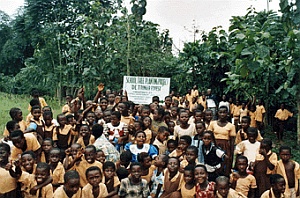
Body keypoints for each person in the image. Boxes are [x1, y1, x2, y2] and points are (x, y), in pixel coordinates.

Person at [208, 106, 236, 176]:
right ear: (217, 113)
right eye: (220, 112)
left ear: (228, 113)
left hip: (225, 147)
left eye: (224, 112)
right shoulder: (212, 123)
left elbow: (232, 141)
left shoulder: (231, 126)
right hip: (214, 146)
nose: (222, 114)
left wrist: (231, 153)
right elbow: (209, 136)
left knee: (224, 164)